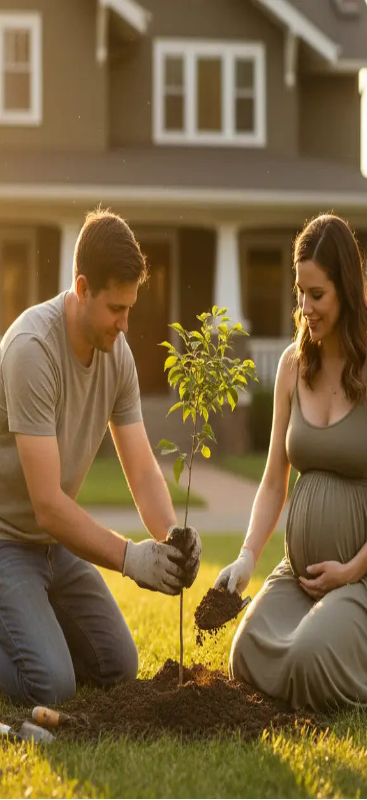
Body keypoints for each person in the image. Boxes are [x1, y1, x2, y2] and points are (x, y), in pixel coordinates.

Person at [0, 208, 201, 705]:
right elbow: (46, 503)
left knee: (118, 665)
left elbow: (140, 466)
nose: (125, 323)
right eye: (116, 308)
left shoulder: (117, 352)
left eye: (130, 308)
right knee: (51, 684)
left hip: (52, 544)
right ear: (82, 287)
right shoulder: (32, 349)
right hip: (5, 539)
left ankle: (29, 624)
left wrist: (170, 540)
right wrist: (132, 558)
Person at [215, 213, 367, 712]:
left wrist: (352, 568)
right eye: (300, 292)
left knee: (307, 657)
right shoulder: (293, 367)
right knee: (244, 653)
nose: (304, 307)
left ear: (345, 289)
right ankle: (320, 634)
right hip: (300, 575)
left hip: (363, 579)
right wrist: (247, 558)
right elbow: (274, 480)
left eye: (316, 294)